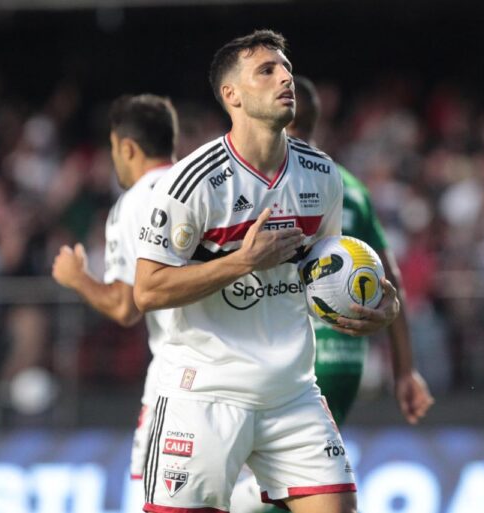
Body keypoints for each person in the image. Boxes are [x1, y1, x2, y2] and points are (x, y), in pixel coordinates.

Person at [133, 30, 398, 513]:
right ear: (231, 95)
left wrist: (379, 306)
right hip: (204, 396)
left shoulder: (322, 175)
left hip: (292, 393)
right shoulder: (191, 182)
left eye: (287, 70)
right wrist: (243, 261)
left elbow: (328, 272)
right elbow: (147, 291)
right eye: (267, 71)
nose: (285, 78)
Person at [230, 75, 435, 513]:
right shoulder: (349, 186)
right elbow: (389, 276)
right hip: (345, 357)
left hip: (286, 351)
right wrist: (405, 370)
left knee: (278, 484)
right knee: (304, 483)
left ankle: (242, 499)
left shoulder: (263, 182)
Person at [51, 94, 178, 488]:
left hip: (183, 381)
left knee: (154, 493)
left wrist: (78, 279)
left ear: (127, 147)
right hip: (259, 369)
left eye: (112, 150)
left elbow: (126, 307)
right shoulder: (205, 184)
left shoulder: (136, 201)